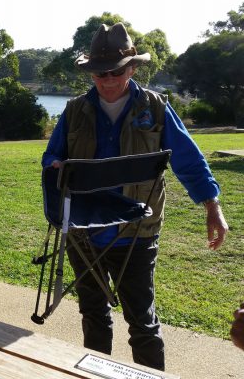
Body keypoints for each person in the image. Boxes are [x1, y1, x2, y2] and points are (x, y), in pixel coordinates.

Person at [42, 22, 229, 370]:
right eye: (98, 73)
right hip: (84, 234)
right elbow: (50, 156)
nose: (106, 80)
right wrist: (56, 165)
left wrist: (212, 206)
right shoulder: (74, 111)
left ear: (131, 69)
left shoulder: (155, 108)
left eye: (114, 72)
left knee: (142, 324)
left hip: (136, 236)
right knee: (93, 316)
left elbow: (188, 160)